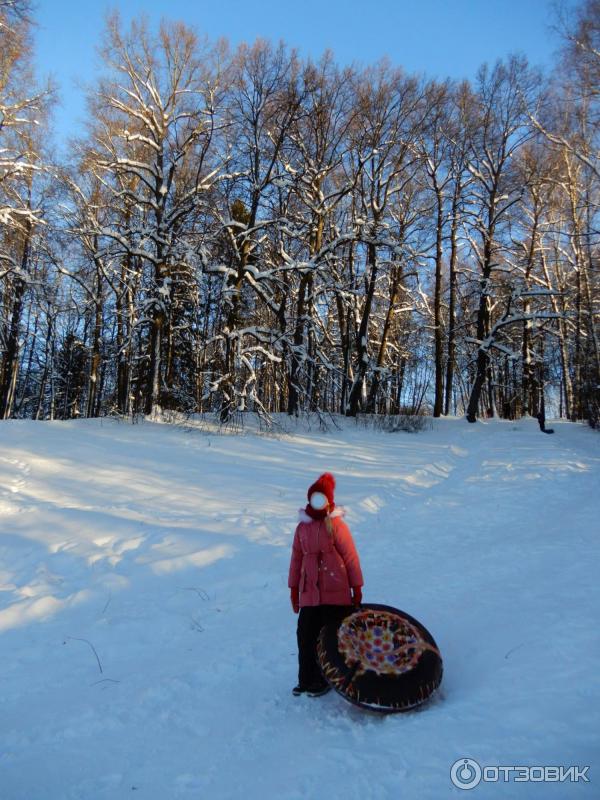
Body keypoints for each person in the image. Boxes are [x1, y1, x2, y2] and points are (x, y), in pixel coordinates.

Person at [288, 472, 364, 697]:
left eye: (321, 499)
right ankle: (306, 679)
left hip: (335, 593)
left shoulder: (336, 525)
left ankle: (326, 678)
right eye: (314, 499)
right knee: (305, 635)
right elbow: (296, 559)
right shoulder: (302, 528)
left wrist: (356, 587)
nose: (317, 503)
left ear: (328, 501)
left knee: (330, 637)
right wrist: (294, 589)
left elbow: (350, 556)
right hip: (309, 593)